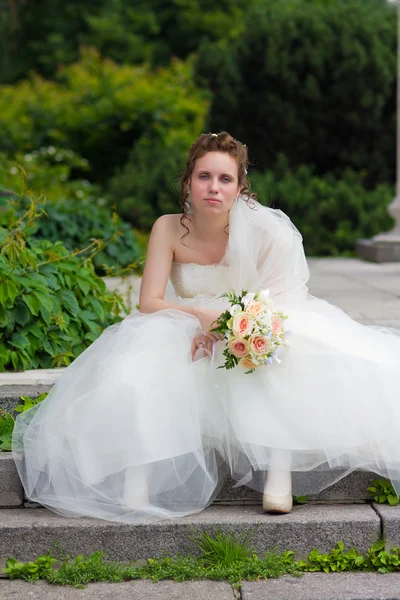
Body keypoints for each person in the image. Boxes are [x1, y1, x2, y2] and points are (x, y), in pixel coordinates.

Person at [12, 131, 400, 523]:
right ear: (188, 182)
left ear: (240, 188)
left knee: (285, 348)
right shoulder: (167, 227)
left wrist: (240, 328)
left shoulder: (264, 230)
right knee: (146, 354)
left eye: (225, 179)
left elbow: (280, 302)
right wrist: (200, 318)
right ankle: (137, 477)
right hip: (185, 320)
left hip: (249, 318)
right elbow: (150, 302)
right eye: (204, 177)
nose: (213, 187)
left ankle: (278, 471)